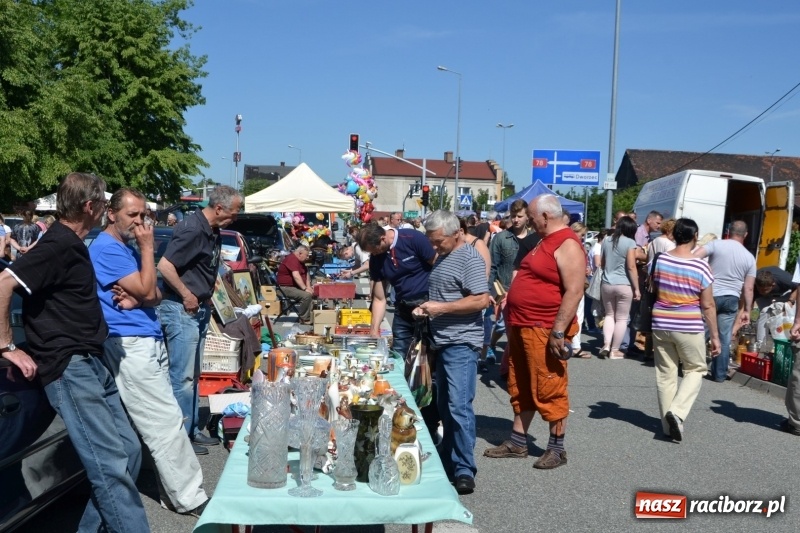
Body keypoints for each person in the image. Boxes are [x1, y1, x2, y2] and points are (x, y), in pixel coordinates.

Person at [0, 172, 150, 532]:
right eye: (102, 203)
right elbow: (4, 282)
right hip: (70, 368)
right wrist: (7, 346)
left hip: (91, 362)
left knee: (128, 453)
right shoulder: (59, 243)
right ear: (90, 206)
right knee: (110, 465)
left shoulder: (69, 243)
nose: (104, 210)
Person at [89, 188, 209, 516]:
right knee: (164, 420)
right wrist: (146, 251)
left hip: (145, 339)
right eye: (132, 215)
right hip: (130, 343)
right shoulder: (108, 249)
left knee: (158, 418)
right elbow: (147, 287)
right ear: (111, 214)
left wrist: (139, 296)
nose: (140, 222)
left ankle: (177, 492)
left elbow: (155, 293)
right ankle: (189, 497)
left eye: (143, 215)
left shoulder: (123, 248)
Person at [484, 194, 585, 470]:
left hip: (544, 326)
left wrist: (558, 332)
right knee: (522, 384)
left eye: (531, 216)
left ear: (545, 216)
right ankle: (518, 441)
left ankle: (557, 448)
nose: (528, 220)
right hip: (522, 323)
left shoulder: (567, 244)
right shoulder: (543, 240)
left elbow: (575, 291)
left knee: (550, 385)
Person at [158, 185, 242, 453]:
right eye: (234, 212)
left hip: (198, 309)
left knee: (193, 376)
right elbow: (165, 266)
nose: (235, 218)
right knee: (181, 377)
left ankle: (192, 429)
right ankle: (179, 438)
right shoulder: (192, 229)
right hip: (182, 309)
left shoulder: (212, 230)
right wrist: (187, 295)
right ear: (218, 208)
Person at [413, 210, 490, 494]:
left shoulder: (469, 257)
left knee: (458, 406)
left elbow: (481, 299)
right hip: (442, 340)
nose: (434, 247)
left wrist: (440, 308)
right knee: (445, 405)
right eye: (431, 242)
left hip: (460, 342)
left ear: (456, 232)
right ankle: (448, 459)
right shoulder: (446, 256)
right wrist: (426, 306)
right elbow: (449, 294)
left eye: (438, 241)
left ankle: (464, 469)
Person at [651, 218, 720, 441]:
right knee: (695, 369)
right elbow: (708, 305)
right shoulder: (700, 266)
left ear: (674, 234)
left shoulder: (661, 260)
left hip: (660, 321)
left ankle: (666, 426)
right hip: (688, 324)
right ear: (694, 236)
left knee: (665, 374)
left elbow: (655, 287)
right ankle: (678, 413)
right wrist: (715, 336)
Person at [357, 222, 435, 359]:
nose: (374, 254)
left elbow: (438, 265)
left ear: (383, 238)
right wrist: (374, 331)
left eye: (374, 249)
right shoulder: (376, 258)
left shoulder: (413, 238)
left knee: (428, 356)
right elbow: (379, 298)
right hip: (403, 306)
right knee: (400, 354)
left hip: (427, 305)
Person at [693, 221, 756, 382]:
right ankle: (719, 374)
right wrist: (747, 310)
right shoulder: (749, 258)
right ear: (746, 235)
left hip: (711, 294)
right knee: (724, 337)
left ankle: (692, 367)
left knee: (702, 332)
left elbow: (694, 258)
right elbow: (748, 288)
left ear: (729, 231)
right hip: (731, 299)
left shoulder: (716, 245)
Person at [489, 200, 529, 377]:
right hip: (505, 291)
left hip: (528, 294)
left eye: (520, 216)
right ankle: (508, 369)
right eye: (513, 216)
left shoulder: (535, 238)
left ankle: (511, 366)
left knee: (521, 332)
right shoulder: (501, 238)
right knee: (509, 330)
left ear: (527, 217)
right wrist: (490, 291)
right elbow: (492, 266)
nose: (516, 220)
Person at [600, 216, 645, 358]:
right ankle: (614, 350)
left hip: (606, 283)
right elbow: (631, 266)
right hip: (624, 284)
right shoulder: (630, 242)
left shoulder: (607, 240)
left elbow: (602, 263)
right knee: (621, 319)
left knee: (609, 315)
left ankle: (606, 344)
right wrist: (637, 288)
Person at [459, 218, 492, 372]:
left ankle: (481, 359)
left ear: (461, 230)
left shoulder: (477, 244)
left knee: (481, 325)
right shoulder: (455, 245)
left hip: (475, 294)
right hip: (459, 298)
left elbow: (484, 274)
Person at [569, 222, 591, 358]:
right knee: (578, 315)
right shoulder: (574, 246)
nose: (583, 238)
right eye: (581, 234)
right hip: (575, 284)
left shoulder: (571, 245)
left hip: (573, 284)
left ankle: (571, 344)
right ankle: (575, 346)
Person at [276, 244, 313, 323]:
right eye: (306, 255)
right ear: (300, 253)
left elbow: (306, 274)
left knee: (314, 292)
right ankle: (304, 318)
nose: (307, 257)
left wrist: (309, 287)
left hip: (294, 287)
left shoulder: (301, 261)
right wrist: (305, 289)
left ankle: (312, 316)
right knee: (306, 296)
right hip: (285, 288)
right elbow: (296, 276)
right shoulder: (292, 259)